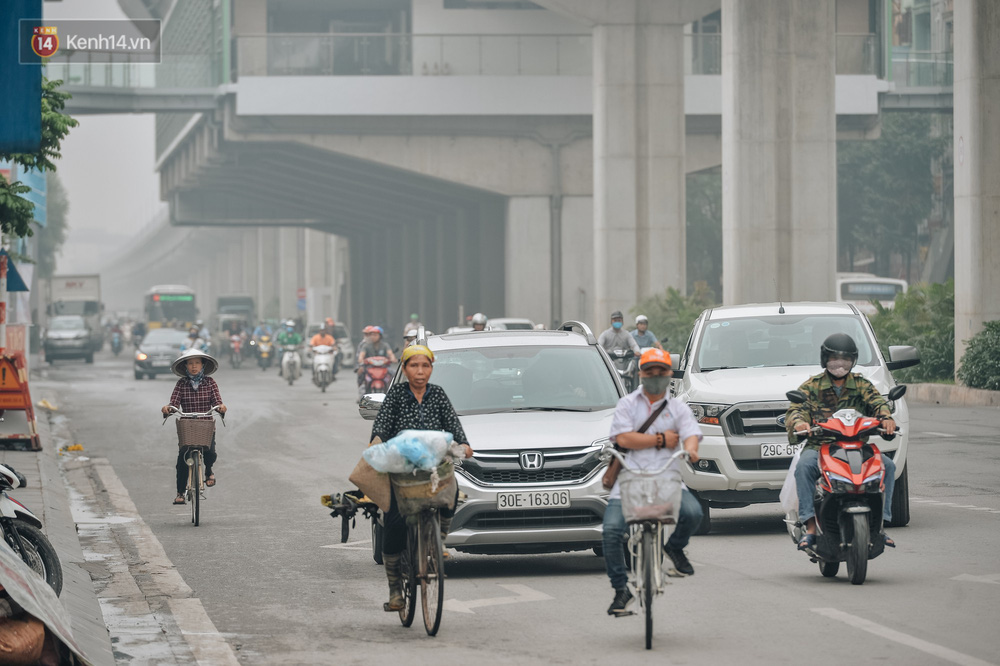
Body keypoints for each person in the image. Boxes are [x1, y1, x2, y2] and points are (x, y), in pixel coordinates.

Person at [368, 344, 474, 612]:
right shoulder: (395, 397)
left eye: (425, 366)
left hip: (432, 466)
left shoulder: (438, 395)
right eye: (414, 366)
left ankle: (439, 540)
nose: (420, 371)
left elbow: (453, 425)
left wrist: (464, 444)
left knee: (452, 491)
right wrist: (377, 442)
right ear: (404, 369)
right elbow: (380, 426)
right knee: (393, 523)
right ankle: (395, 592)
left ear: (431, 369)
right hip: (402, 469)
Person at [602, 348, 703, 616]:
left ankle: (674, 547)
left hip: (667, 479)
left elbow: (691, 434)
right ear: (640, 374)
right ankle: (621, 589)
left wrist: (691, 449)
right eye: (650, 372)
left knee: (694, 514)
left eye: (661, 372)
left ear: (669, 374)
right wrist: (661, 440)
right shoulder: (627, 404)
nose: (655, 377)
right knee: (611, 531)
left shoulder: (678, 408)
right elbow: (623, 439)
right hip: (629, 479)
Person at [785, 333, 898, 551]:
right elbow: (795, 410)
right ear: (825, 360)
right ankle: (809, 527)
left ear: (853, 361)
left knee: (889, 466)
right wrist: (799, 423)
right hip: (820, 447)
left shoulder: (862, 384)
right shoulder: (812, 386)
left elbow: (878, 403)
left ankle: (881, 526)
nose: (840, 365)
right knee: (804, 467)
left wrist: (886, 418)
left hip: (858, 446)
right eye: (834, 360)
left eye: (845, 360)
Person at [161, 349, 227, 505]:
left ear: (203, 365)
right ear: (185, 366)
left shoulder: (210, 382)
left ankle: (208, 471)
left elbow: (217, 401)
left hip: (206, 425)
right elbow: (174, 403)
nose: (194, 366)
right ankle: (180, 493)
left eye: (197, 363)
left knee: (210, 453)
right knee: (183, 459)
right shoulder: (181, 384)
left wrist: (221, 407)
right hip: (187, 426)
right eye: (190, 363)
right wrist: (167, 409)